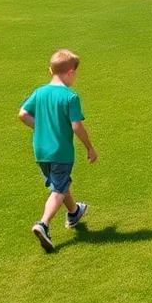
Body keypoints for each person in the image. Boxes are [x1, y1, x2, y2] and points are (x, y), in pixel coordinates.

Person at [19, 49, 98, 252]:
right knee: (59, 189)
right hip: (60, 152)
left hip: (40, 151)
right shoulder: (70, 97)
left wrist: (41, 127)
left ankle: (74, 212)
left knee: (60, 184)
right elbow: (77, 126)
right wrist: (89, 147)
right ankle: (43, 224)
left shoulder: (40, 92)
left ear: (50, 70)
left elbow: (23, 114)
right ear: (71, 72)